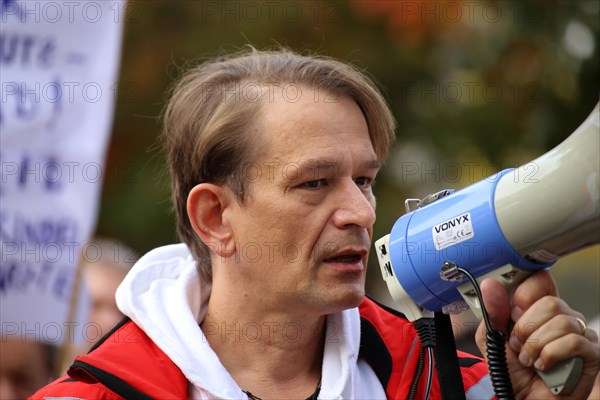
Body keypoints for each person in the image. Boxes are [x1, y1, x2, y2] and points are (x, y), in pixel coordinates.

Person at [31, 48, 599, 399]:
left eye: (365, 180)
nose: (360, 213)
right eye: (314, 183)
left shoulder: (458, 384)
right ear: (215, 217)